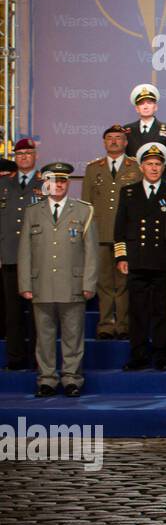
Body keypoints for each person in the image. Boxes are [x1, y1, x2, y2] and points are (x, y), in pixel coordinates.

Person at [19, 163, 96, 398]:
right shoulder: (33, 212)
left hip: (72, 284)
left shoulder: (83, 211)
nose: (58, 185)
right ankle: (47, 380)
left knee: (73, 337)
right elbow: (25, 251)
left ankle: (72, 379)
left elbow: (91, 251)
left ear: (68, 183)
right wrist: (25, 284)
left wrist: (89, 283)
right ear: (46, 184)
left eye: (63, 181)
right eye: (54, 181)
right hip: (41, 284)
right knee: (44, 338)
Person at [114, 144, 166, 372]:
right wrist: (121, 257)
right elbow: (120, 227)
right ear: (141, 167)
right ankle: (138, 355)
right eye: (149, 164)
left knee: (162, 310)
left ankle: (161, 355)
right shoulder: (128, 192)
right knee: (138, 311)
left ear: (163, 167)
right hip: (137, 260)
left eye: (158, 164)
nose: (153, 168)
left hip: (163, 260)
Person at [82, 124, 140, 340]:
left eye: (118, 138)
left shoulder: (135, 167)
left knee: (124, 282)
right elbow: (87, 205)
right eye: (110, 138)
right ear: (104, 142)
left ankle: (123, 325)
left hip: (125, 235)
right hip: (101, 234)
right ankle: (106, 325)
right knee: (104, 282)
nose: (114, 141)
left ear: (125, 142)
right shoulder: (92, 168)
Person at [0, 139, 42, 370]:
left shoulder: (44, 182)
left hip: (37, 259)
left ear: (36, 155)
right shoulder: (3, 183)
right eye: (20, 153)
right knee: (12, 313)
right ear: (15, 157)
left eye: (28, 153)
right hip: (10, 256)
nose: (24, 157)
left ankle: (39, 359)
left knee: (39, 314)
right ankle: (15, 359)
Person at [124, 83, 166, 182]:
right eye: (141, 103)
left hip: (159, 181)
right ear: (137, 108)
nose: (145, 107)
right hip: (134, 180)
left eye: (149, 103)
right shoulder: (128, 130)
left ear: (155, 107)